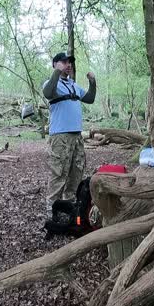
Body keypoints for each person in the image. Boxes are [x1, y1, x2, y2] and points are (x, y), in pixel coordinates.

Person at [42, 52, 96, 212]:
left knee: (76, 172)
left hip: (77, 136)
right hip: (60, 137)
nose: (69, 64)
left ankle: (68, 206)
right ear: (56, 64)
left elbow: (90, 99)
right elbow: (47, 93)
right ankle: (51, 210)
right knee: (59, 173)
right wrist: (57, 71)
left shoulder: (74, 85)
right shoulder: (50, 83)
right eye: (64, 62)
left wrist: (92, 82)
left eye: (70, 62)